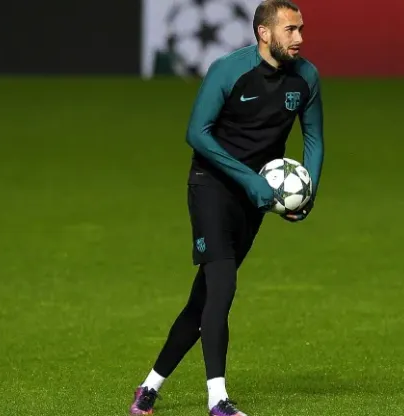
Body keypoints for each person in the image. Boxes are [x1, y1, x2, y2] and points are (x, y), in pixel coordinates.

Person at [129, 1, 323, 415]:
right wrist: (248, 178)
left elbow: (314, 139)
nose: (300, 38)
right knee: (222, 289)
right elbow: (196, 134)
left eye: (301, 29)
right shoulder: (228, 71)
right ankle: (217, 400)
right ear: (264, 33)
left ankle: (149, 387)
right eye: (290, 30)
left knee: (202, 300)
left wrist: (309, 193)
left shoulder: (306, 77)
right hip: (212, 187)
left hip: (255, 199)